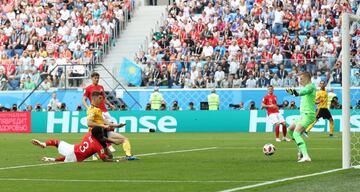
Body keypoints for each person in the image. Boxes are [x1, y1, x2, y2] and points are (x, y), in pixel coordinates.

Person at [87, 91, 139, 161]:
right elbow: (89, 123)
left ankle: (128, 156)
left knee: (112, 154)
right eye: (100, 98)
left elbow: (104, 121)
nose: (101, 100)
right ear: (94, 98)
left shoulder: (98, 109)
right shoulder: (91, 110)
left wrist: (117, 125)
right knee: (123, 140)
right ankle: (96, 152)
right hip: (97, 136)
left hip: (103, 133)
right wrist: (103, 126)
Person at [31, 126, 121, 162]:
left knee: (56, 142)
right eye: (101, 133)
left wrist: (112, 141)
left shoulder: (89, 134)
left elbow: (101, 138)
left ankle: (44, 144)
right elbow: (105, 159)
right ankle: (50, 159)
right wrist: (116, 161)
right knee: (65, 159)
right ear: (98, 135)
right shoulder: (97, 146)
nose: (103, 134)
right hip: (77, 156)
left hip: (73, 148)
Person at [285, 71, 316, 162]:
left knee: (296, 133)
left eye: (301, 79)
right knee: (290, 129)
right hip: (303, 115)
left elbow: (304, 92)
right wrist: (294, 93)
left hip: (308, 115)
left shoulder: (310, 86)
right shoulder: (308, 87)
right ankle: (301, 150)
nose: (300, 81)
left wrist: (295, 93)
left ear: (307, 78)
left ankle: (306, 156)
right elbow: (302, 93)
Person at [82, 72, 116, 153]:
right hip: (96, 111)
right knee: (102, 127)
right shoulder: (88, 88)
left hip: (104, 110)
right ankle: (106, 145)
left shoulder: (101, 87)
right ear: (92, 78)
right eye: (95, 78)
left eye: (98, 78)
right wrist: (88, 108)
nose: (96, 79)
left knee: (111, 125)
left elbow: (103, 98)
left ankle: (107, 143)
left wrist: (110, 104)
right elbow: (84, 100)